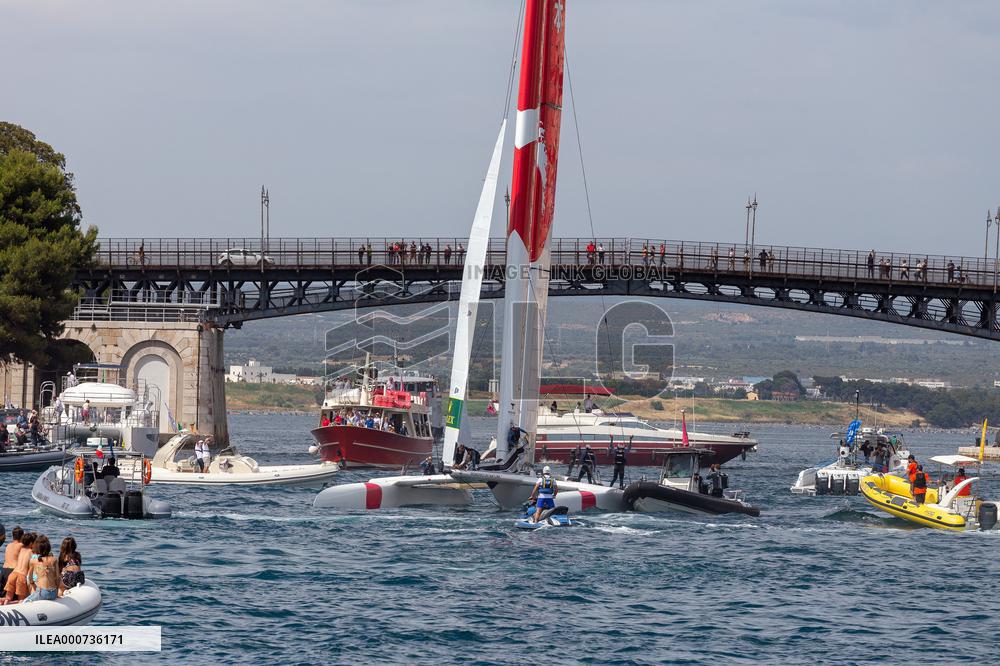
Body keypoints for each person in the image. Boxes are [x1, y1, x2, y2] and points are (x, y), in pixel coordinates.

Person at [2, 532, 35, 603]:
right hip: (21, 576)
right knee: (21, 600)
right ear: (31, 543)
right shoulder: (31, 552)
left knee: (8, 597)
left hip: (13, 574)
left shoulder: (21, 550)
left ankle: (4, 604)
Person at [24, 536, 58, 602]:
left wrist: (33, 585)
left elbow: (30, 578)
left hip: (42, 592)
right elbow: (57, 578)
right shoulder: (54, 559)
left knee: (25, 601)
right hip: (53, 593)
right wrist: (56, 593)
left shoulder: (33, 561)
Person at [1, 526, 20, 594]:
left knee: (3, 594)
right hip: (12, 571)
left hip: (3, 571)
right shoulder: (21, 545)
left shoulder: (8, 545)